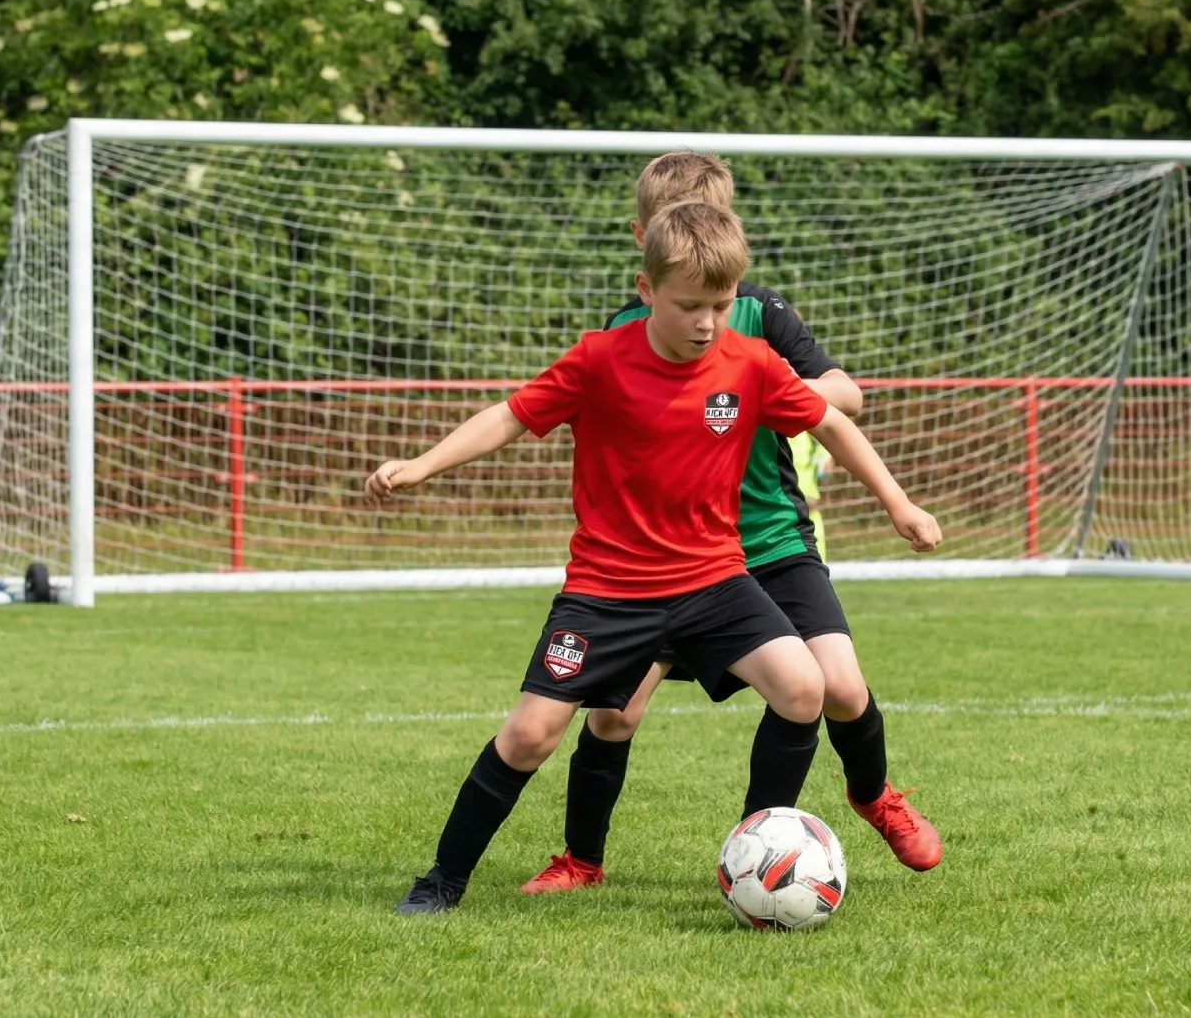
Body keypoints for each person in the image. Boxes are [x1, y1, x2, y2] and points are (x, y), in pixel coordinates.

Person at [369, 200, 942, 915]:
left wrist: (898, 503)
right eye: (689, 306)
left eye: (721, 305)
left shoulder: (751, 362)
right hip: (607, 591)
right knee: (530, 734)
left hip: (714, 581)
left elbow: (831, 421)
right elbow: (511, 417)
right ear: (646, 290)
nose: (707, 322)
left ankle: (756, 854)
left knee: (803, 687)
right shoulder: (599, 358)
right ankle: (441, 882)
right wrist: (422, 466)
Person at [521, 153, 943, 901]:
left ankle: (871, 795)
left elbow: (846, 395)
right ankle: (581, 858)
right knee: (615, 714)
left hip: (771, 545)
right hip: (665, 563)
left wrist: (753, 385)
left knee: (840, 687)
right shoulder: (624, 333)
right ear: (645, 239)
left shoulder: (759, 315)